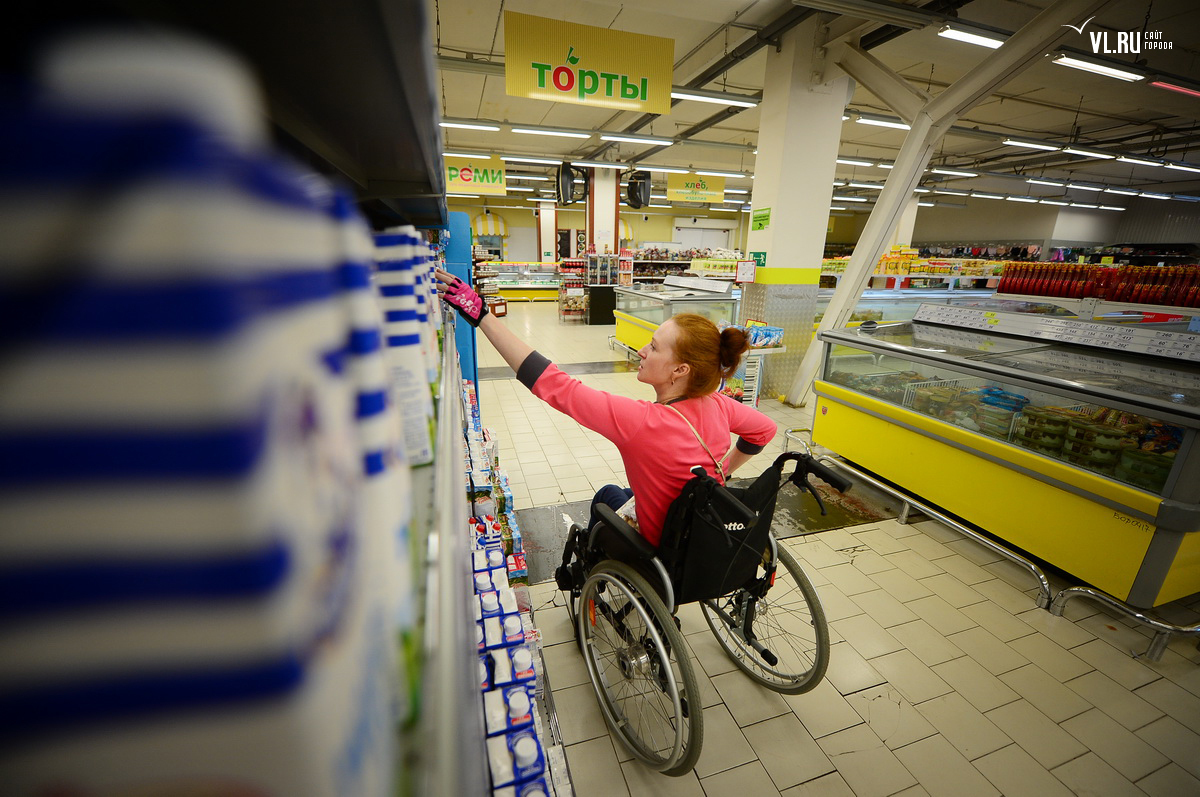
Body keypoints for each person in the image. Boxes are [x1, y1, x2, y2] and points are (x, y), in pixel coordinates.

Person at [435, 268, 777, 550]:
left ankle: (594, 563)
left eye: (654, 347)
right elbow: (765, 430)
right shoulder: (719, 405)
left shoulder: (640, 421)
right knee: (625, 494)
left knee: (607, 496)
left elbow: (554, 385)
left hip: (661, 543)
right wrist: (723, 472)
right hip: (702, 532)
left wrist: (481, 315)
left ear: (680, 370)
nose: (642, 351)